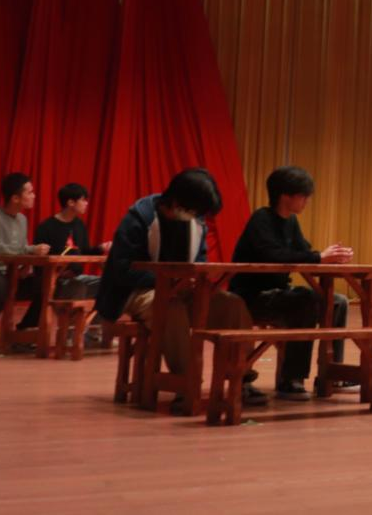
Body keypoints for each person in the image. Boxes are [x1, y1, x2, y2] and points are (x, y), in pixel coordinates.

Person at [94, 168, 263, 411]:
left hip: (181, 289)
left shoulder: (196, 222)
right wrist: (169, 280)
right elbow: (122, 270)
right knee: (170, 308)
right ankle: (185, 382)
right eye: (196, 211)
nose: (198, 217)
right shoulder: (140, 217)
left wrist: (200, 279)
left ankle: (241, 377)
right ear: (177, 202)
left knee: (232, 304)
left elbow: (200, 261)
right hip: (135, 291)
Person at [230, 166, 354, 401]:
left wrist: (331, 256)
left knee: (337, 301)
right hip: (252, 296)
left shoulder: (291, 221)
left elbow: (304, 251)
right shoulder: (261, 219)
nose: (306, 201)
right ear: (285, 196)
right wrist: (319, 257)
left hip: (278, 294)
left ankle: (331, 374)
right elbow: (273, 255)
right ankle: (291, 379)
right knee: (304, 301)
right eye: (303, 195)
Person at [32, 183, 112, 344]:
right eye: (83, 200)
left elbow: (84, 252)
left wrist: (100, 248)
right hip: (55, 280)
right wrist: (58, 273)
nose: (86, 203)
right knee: (77, 285)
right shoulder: (47, 227)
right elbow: (38, 263)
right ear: (70, 202)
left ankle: (91, 333)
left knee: (109, 284)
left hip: (76, 276)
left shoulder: (79, 225)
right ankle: (69, 337)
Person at [0, 173, 51, 353]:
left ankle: (24, 332)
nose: (34, 196)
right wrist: (29, 250)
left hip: (16, 274)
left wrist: (26, 264)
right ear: (15, 198)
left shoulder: (22, 219)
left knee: (45, 285)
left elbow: (21, 248)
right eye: (29, 192)